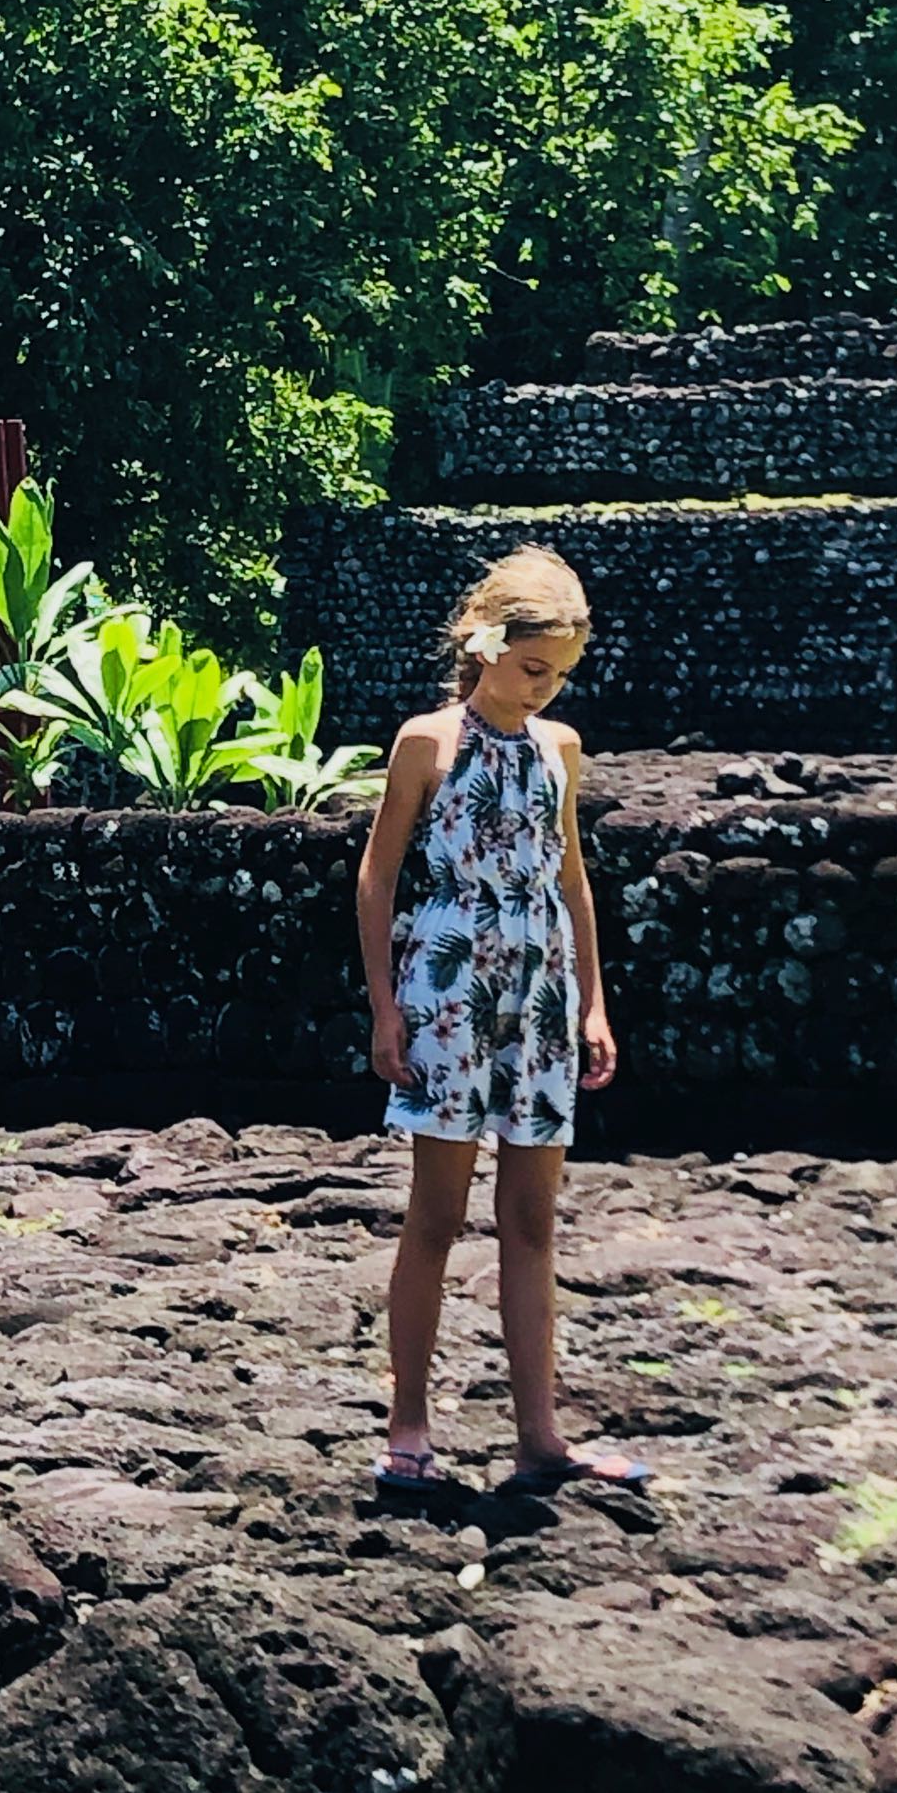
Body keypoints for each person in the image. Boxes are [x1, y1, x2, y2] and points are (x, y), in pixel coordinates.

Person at [353, 545, 646, 1499]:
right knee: (436, 1214)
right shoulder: (426, 742)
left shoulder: (560, 749)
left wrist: (593, 1000)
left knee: (530, 1216)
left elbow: (572, 879)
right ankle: (408, 1426)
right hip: (447, 990)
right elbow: (377, 877)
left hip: (541, 992)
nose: (542, 688)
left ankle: (539, 1437)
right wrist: (385, 1008)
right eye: (531, 668)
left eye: (558, 674)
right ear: (484, 646)